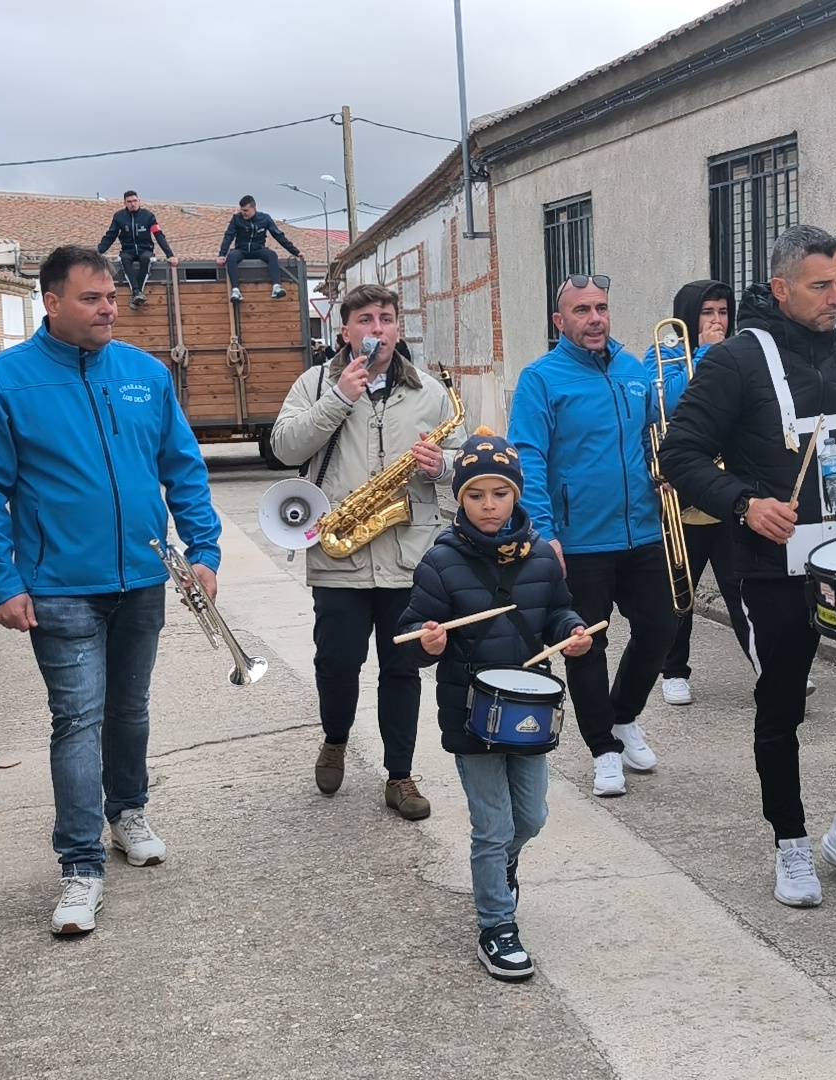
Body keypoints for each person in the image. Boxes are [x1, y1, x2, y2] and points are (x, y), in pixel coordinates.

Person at [662, 225, 836, 908]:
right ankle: (790, 843)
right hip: (772, 562)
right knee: (782, 703)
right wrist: (744, 503)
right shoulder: (734, 363)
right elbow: (681, 456)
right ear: (781, 288)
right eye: (822, 286)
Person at [0, 245, 224, 936]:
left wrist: (204, 549)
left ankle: (127, 811)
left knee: (129, 709)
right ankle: (80, 865)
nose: (108, 308)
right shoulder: (6, 382)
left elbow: (183, 467)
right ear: (51, 302)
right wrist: (1, 580)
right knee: (77, 719)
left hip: (143, 576)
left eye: (111, 297)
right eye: (91, 298)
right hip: (58, 588)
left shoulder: (144, 374)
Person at [398, 427, 591, 981]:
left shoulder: (542, 559)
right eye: (476, 495)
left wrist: (574, 630)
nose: (489, 505)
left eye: (500, 493)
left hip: (529, 713)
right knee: (492, 826)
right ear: (459, 498)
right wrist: (427, 641)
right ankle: (496, 926)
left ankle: (502, 866)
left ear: (516, 495)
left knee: (529, 818)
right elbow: (412, 637)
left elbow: (559, 611)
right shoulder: (440, 563)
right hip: (471, 714)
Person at [270, 283, 464, 821]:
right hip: (340, 553)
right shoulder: (315, 384)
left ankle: (399, 775)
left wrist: (442, 466)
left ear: (397, 328)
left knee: (402, 668)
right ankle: (335, 738)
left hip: (411, 553)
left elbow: (462, 458)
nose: (375, 329)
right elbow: (284, 447)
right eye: (364, 320)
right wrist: (340, 398)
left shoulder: (428, 390)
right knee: (337, 662)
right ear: (344, 330)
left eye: (385, 319)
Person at [509, 274, 681, 799]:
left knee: (661, 627)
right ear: (560, 321)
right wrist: (544, 531)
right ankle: (603, 748)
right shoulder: (541, 379)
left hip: (643, 532)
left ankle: (624, 716)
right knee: (585, 646)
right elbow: (529, 457)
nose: (595, 319)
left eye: (601, 308)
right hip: (579, 540)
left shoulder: (632, 370)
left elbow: (665, 427)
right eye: (581, 310)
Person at [644, 279, 816, 706]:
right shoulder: (661, 358)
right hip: (683, 494)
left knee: (742, 588)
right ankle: (673, 669)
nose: (717, 321)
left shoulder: (743, 355)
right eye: (707, 313)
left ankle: (772, 667)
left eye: (722, 312)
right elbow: (675, 409)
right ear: (689, 316)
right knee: (678, 587)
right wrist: (705, 354)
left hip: (728, 491)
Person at [98, 189, 180, 309]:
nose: (133, 204)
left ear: (139, 201)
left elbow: (158, 235)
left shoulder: (148, 216)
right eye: (129, 201)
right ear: (125, 203)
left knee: (146, 258)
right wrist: (98, 252)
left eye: (135, 201)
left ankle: (137, 293)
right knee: (124, 259)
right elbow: (110, 236)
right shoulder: (119, 217)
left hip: (145, 249)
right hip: (128, 250)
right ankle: (137, 292)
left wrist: (170, 255)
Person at [216, 195, 304, 303]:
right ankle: (236, 290)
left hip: (258, 249)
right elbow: (228, 236)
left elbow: (279, 236)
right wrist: (222, 254)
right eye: (241, 210)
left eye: (246, 210)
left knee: (272, 255)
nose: (243, 213)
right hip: (241, 250)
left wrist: (296, 252)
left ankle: (277, 287)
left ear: (254, 208)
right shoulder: (236, 219)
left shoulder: (265, 218)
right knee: (231, 257)